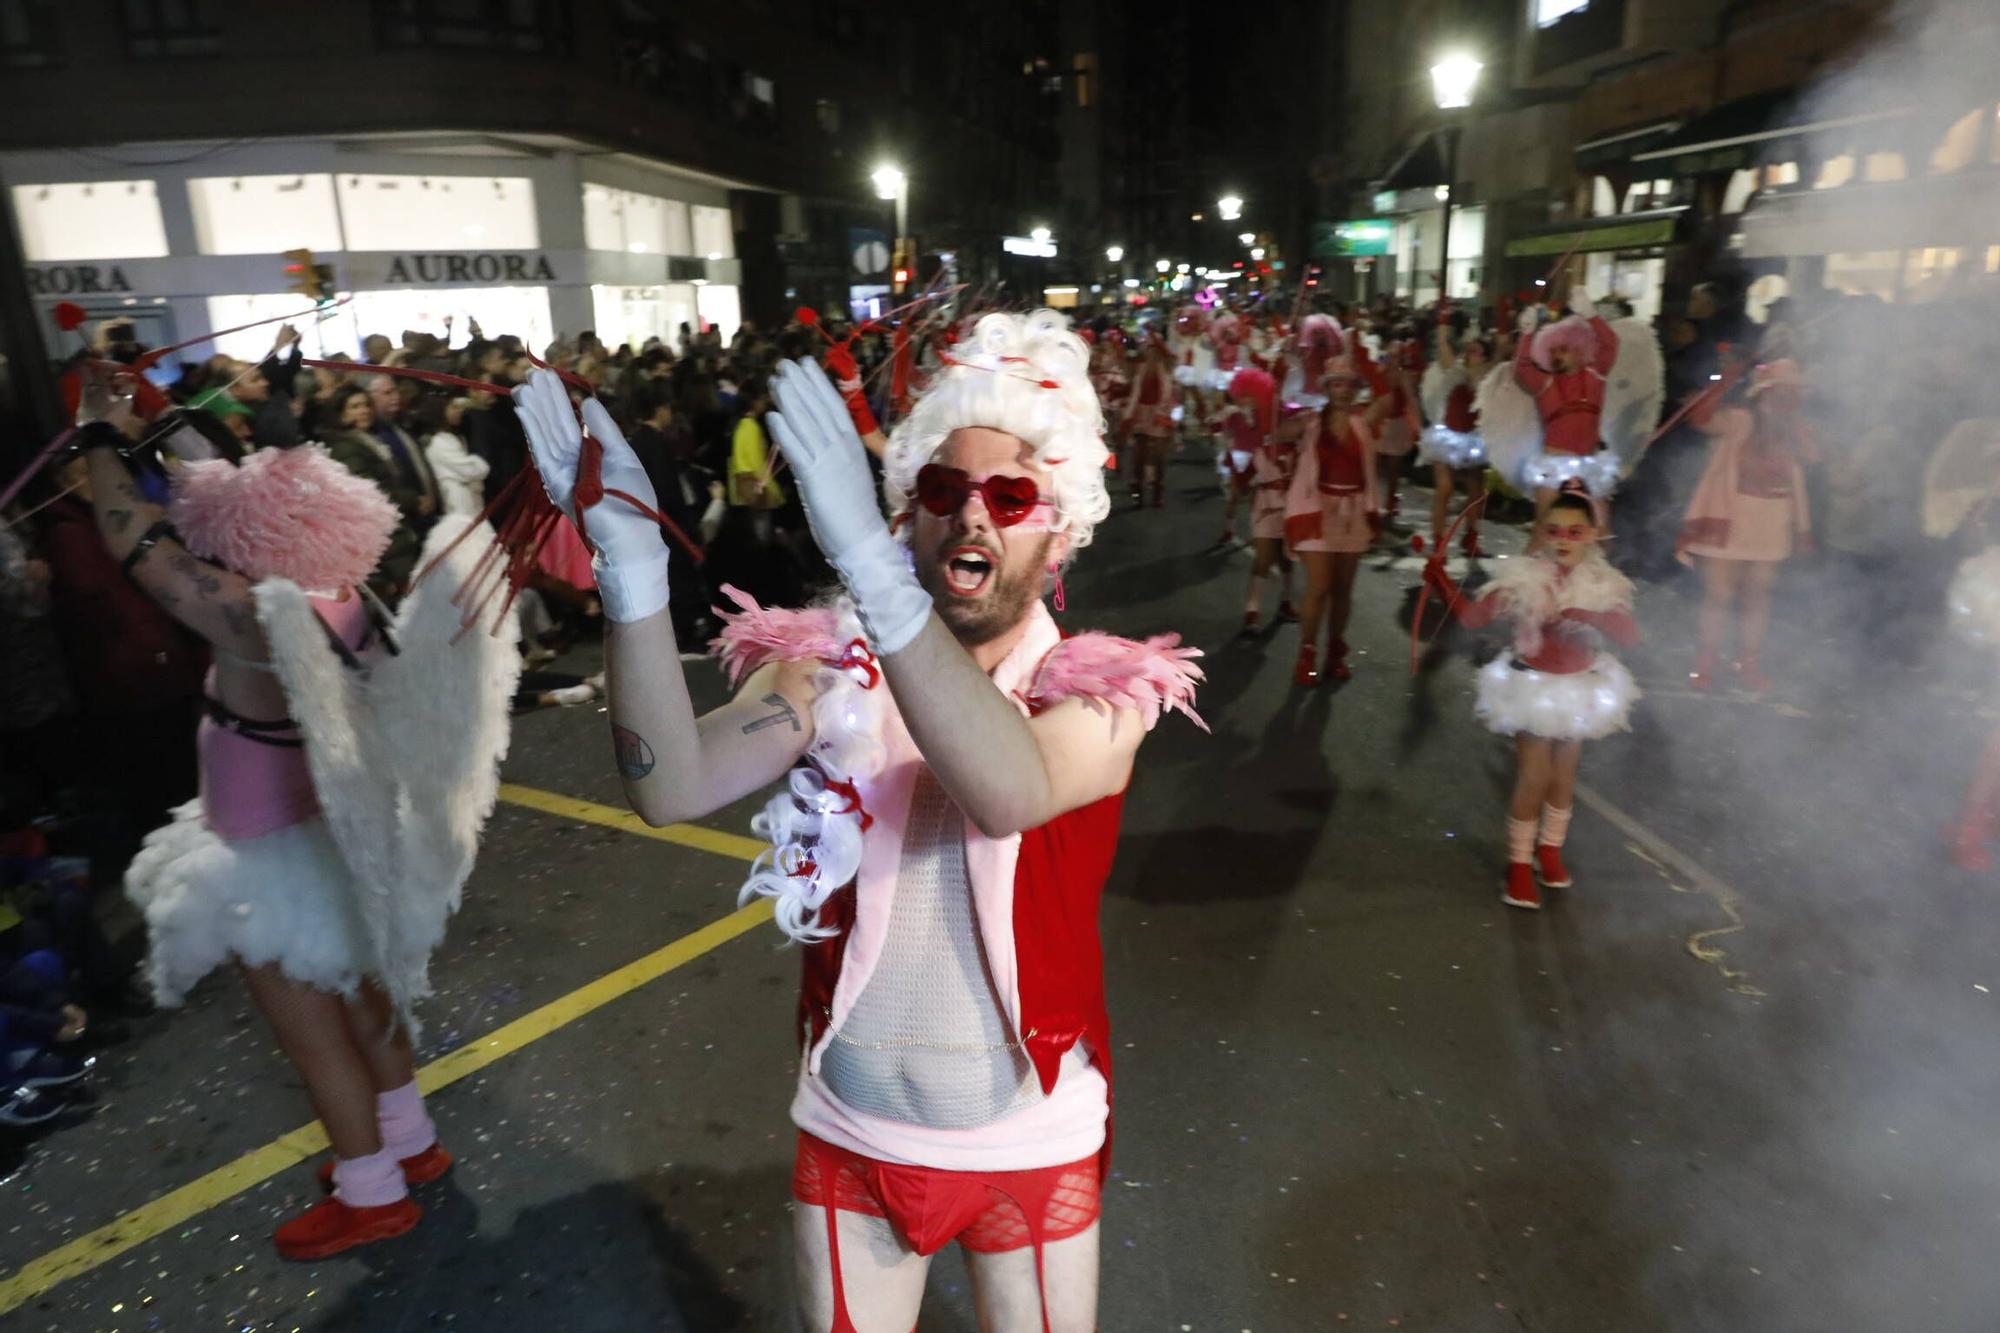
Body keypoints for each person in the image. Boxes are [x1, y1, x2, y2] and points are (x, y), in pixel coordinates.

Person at [510, 309, 1202, 1333]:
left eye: (1010, 496)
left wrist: (878, 585)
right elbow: (669, 785)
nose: (973, 518)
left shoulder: (1099, 691)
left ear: (1057, 527)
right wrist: (631, 574)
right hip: (848, 1128)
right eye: (941, 489)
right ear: (905, 512)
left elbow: (1004, 789)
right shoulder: (828, 668)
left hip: (1027, 1139)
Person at [71, 365, 515, 1258]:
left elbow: (146, 553)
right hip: (339, 836)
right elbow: (228, 481)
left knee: (315, 1040)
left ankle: (371, 1188)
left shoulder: (252, 613)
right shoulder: (342, 588)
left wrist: (93, 436)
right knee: (367, 1001)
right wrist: (152, 415)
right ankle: (411, 1144)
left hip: (270, 857)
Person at [1422, 484, 1640, 909]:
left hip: (1580, 687)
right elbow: (1472, 617)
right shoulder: (1524, 578)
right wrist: (1441, 580)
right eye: (1554, 530)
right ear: (1542, 532)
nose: (1563, 540)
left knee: (1563, 777)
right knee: (1535, 776)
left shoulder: (1603, 583)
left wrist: (1592, 617)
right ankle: (1519, 864)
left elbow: (1631, 636)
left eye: (1575, 532)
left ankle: (1549, 851)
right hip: (1533, 686)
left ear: (1592, 534)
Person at [1676, 359, 1813, 691]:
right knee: (1719, 594)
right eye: (1782, 391)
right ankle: (1707, 660)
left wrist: (1802, 529)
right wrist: (1724, 378)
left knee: (1758, 595)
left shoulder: (1794, 432)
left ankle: (1748, 661)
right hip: (1730, 518)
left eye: (1793, 393)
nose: (1788, 400)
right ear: (1763, 393)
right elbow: (1702, 419)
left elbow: (1799, 481)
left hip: (1772, 521)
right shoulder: (1739, 419)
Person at [1283, 352, 1394, 685]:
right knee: (1320, 587)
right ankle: (1307, 654)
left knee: (1343, 589)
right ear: (1328, 389)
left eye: (1348, 384)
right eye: (1336, 384)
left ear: (1355, 388)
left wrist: (1367, 363)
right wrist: (1280, 375)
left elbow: (1388, 398)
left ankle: (1334, 652)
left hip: (1353, 512)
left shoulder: (1365, 419)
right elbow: (1278, 430)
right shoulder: (1311, 421)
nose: (1343, 390)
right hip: (1316, 510)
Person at [1514, 290, 1620, 535]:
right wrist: (1527, 334)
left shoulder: (1595, 375)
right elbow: (1522, 367)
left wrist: (1592, 316)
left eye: (1563, 349)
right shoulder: (1544, 382)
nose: (1557, 355)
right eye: (1552, 351)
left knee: (1599, 532)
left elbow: (1610, 344)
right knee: (1545, 530)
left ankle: (1591, 574)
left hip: (1591, 463)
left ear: (1579, 348)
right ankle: (1533, 575)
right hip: (1554, 465)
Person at [1226, 367, 1297, 630]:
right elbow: (1246, 467)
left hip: (1292, 499)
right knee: (1264, 556)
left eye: (1247, 396)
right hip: (1265, 499)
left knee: (1286, 555)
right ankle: (1252, 611)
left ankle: (1286, 601)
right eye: (1240, 397)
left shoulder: (1287, 417)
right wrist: (1240, 477)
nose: (1243, 402)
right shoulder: (1245, 426)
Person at [1418, 323, 1493, 560]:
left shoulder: (1488, 376)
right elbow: (1444, 348)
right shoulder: (1456, 370)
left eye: (1476, 351)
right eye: (1468, 350)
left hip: (1472, 439)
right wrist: (1442, 328)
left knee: (1476, 491)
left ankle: (1470, 538)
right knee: (1445, 488)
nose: (1471, 355)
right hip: (1446, 438)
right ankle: (1438, 540)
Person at [1121, 334, 1178, 508]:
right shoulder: (1139, 368)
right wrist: (1128, 416)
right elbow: (1133, 394)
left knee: (1160, 458)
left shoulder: (1167, 367)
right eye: (1148, 349)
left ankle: (1158, 491)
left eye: (1154, 349)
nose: (1150, 353)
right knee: (1138, 457)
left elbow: (1169, 395)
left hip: (1160, 417)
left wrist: (1166, 417)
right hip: (1141, 415)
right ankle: (1138, 491)